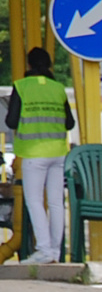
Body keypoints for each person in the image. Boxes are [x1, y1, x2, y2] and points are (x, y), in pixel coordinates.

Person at [5, 47, 74, 264]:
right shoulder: (58, 89)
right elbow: (69, 122)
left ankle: (43, 250)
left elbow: (11, 121)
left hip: (34, 153)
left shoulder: (22, 86)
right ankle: (55, 252)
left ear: (29, 65)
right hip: (58, 153)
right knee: (55, 203)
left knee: (34, 201)